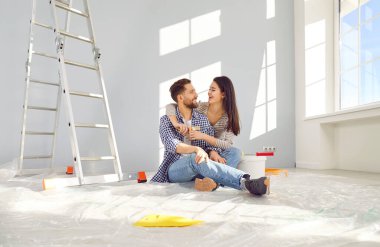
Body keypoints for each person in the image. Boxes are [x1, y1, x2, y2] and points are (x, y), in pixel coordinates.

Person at [151, 78, 269, 196]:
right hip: (175, 168)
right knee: (195, 158)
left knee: (234, 152)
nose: (197, 95)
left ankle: (211, 182)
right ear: (181, 98)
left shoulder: (202, 118)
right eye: (192, 92)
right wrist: (197, 149)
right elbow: (172, 145)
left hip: (200, 166)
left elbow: (211, 141)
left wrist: (213, 151)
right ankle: (245, 183)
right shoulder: (167, 120)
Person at [165, 76, 241, 169]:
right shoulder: (200, 107)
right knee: (195, 159)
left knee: (235, 152)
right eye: (209, 89)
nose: (209, 92)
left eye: (213, 90)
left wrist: (204, 138)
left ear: (223, 94)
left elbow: (227, 144)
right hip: (202, 151)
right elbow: (173, 105)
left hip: (216, 151)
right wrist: (175, 122)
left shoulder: (228, 117)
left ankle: (214, 181)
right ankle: (214, 178)